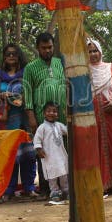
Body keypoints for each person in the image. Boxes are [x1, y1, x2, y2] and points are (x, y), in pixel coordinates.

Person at [0, 43, 39, 201]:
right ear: (4, 57)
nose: (11, 56)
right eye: (8, 54)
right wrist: (2, 94)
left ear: (19, 56)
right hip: (6, 120)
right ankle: (8, 190)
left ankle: (29, 188)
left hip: (25, 117)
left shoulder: (26, 72)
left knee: (29, 154)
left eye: (14, 54)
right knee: (9, 155)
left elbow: (33, 89)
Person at [23, 32, 67, 196]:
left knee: (61, 149)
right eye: (44, 48)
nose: (47, 51)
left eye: (50, 47)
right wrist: (32, 117)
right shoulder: (30, 68)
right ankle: (47, 188)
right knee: (44, 151)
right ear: (37, 48)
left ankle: (65, 187)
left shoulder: (60, 63)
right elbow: (27, 93)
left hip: (61, 115)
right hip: (41, 117)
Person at [86, 38, 112, 192]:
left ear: (100, 51)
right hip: (93, 112)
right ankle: (103, 184)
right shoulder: (84, 71)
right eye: (89, 52)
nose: (93, 54)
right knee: (96, 147)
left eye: (95, 50)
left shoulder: (110, 68)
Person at [33, 102, 69, 202]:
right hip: (49, 156)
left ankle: (66, 190)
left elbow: (67, 131)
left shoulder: (59, 125)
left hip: (60, 155)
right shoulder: (42, 127)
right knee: (52, 176)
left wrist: (69, 119)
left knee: (63, 174)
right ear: (44, 113)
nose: (51, 113)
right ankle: (54, 192)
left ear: (57, 114)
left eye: (54, 111)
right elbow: (37, 140)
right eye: (48, 111)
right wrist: (39, 149)